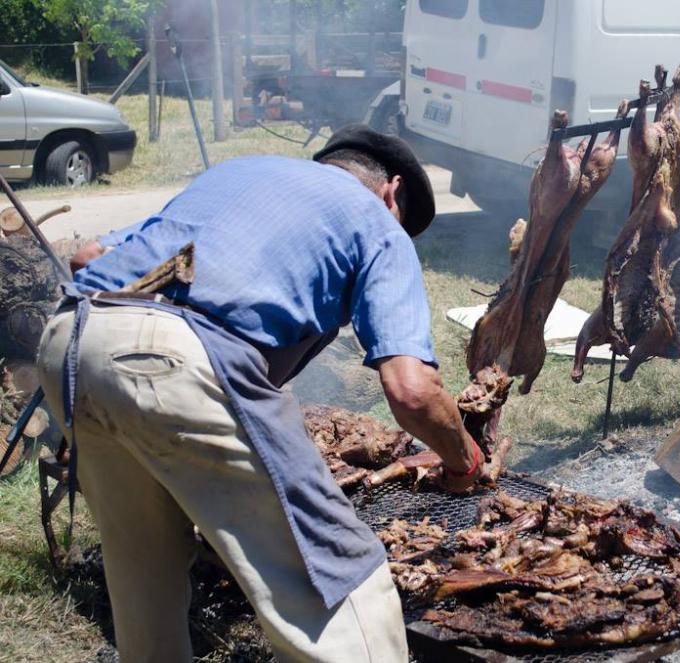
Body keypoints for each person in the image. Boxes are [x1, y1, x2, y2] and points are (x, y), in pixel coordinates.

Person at [36, 125, 485, 662]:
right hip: (176, 358)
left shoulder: (237, 173)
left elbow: (88, 255)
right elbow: (412, 390)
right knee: (343, 578)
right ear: (392, 192)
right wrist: (464, 460)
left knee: (144, 565)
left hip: (71, 341)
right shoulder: (378, 224)